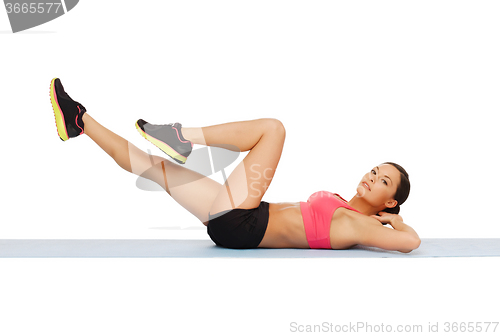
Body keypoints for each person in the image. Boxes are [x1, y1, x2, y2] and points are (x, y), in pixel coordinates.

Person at [49, 78, 420, 253]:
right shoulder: (347, 207)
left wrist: (395, 221)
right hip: (240, 218)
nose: (372, 177)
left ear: (391, 200)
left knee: (273, 130)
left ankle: (184, 136)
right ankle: (80, 122)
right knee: (156, 168)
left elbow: (410, 242)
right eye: (374, 170)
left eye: (383, 180)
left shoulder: (360, 225)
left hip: (244, 223)